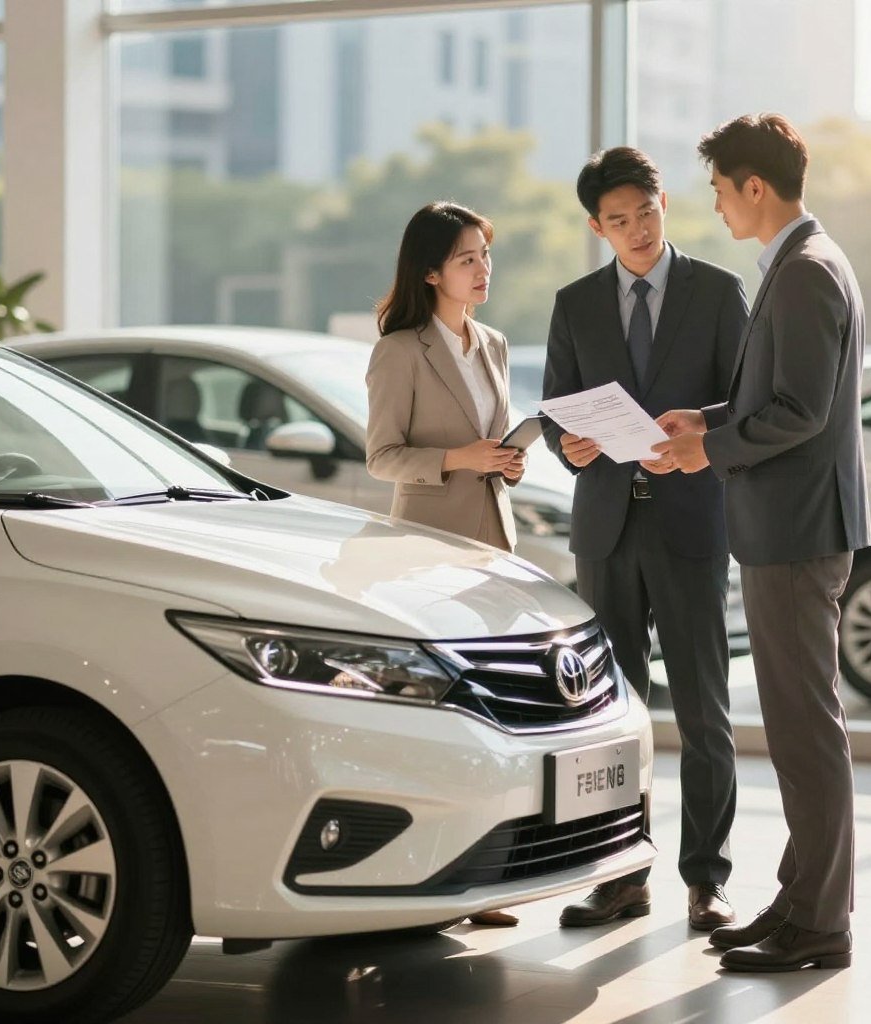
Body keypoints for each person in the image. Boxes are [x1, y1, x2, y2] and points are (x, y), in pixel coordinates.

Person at [650, 113, 871, 972]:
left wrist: (710, 448)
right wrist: (704, 418)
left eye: (719, 191)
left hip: (796, 531)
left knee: (805, 733)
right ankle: (800, 901)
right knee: (797, 729)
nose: (715, 208)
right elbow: (777, 396)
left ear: (754, 186)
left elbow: (800, 411)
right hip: (793, 527)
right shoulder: (803, 261)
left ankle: (820, 923)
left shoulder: (806, 270)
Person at [543, 147, 749, 930]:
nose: (636, 230)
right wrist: (570, 445)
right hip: (606, 529)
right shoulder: (575, 303)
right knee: (610, 718)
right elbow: (558, 405)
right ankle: (622, 876)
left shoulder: (718, 292)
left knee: (703, 710)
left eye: (646, 212)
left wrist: (701, 435)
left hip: (691, 522)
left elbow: (745, 403)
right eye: (618, 220)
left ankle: (707, 878)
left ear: (664, 205)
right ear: (597, 227)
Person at [366, 201, 525, 928]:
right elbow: (382, 457)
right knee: (441, 720)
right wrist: (460, 458)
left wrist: (508, 463)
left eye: (485, 255)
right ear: (431, 272)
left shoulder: (493, 343)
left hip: (493, 550)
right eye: (467, 259)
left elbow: (494, 443)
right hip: (428, 553)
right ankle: (429, 879)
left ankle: (483, 879)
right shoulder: (400, 351)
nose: (483, 268)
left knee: (491, 717)